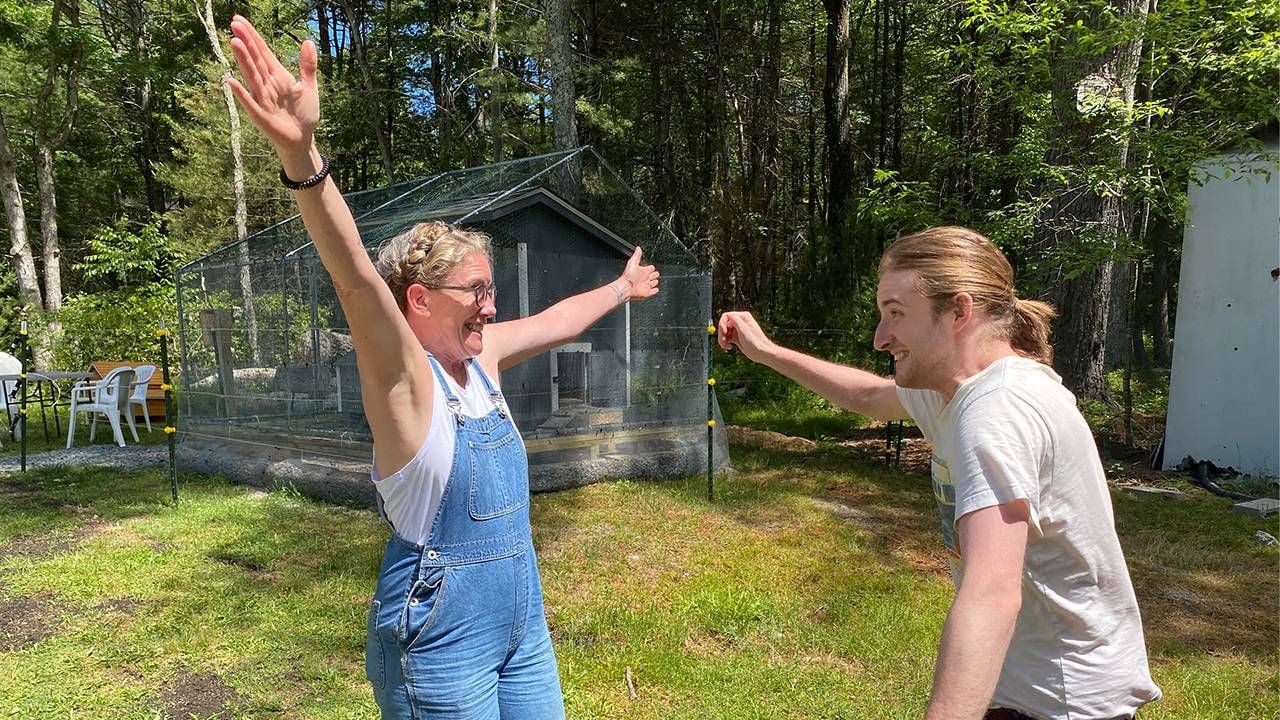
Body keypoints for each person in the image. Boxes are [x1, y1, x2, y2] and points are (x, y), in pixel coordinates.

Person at [226, 16, 660, 719]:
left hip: (522, 621)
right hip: (439, 634)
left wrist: (620, 289)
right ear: (421, 300)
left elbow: (556, 322)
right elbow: (357, 280)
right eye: (477, 292)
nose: (491, 307)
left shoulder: (479, 362)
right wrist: (303, 158)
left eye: (491, 291)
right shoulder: (405, 378)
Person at [718, 226, 1161, 720]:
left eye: (896, 314)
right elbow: (866, 396)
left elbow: (991, 594)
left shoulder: (997, 411)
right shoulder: (958, 392)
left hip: (1059, 704)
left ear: (958, 312)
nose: (880, 337)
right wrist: (768, 352)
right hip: (1030, 691)